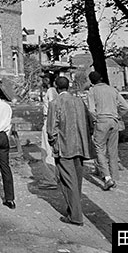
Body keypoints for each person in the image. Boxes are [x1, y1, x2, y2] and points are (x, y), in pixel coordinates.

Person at [47, 76, 93, 226]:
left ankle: (75, 216)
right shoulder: (79, 101)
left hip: (64, 147)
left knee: (68, 181)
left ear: (55, 86)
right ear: (68, 86)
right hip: (80, 146)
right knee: (77, 181)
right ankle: (73, 209)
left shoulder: (55, 103)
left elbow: (51, 129)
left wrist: (53, 144)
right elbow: (90, 122)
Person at [86, 71, 128, 190]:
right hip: (114, 121)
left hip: (101, 121)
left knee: (99, 149)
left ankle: (107, 178)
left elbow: (91, 110)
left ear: (91, 81)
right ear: (101, 78)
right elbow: (125, 106)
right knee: (113, 150)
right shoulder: (112, 89)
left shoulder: (92, 91)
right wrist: (118, 115)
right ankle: (115, 177)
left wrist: (96, 119)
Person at [38, 73, 59, 189]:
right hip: (51, 121)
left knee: (46, 151)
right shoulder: (53, 91)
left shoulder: (51, 91)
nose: (43, 82)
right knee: (52, 150)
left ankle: (50, 179)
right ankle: (55, 176)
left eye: (44, 79)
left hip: (49, 120)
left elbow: (52, 106)